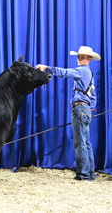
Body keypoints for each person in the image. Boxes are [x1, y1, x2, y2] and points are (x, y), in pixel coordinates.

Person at [36, 46, 101, 181]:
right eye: (78, 56)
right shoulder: (89, 73)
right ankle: (89, 174)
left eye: (82, 57)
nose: (79, 59)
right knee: (86, 142)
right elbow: (93, 95)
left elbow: (65, 72)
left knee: (80, 143)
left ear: (89, 59)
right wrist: (89, 109)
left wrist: (47, 68)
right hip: (85, 109)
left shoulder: (82, 71)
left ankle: (83, 175)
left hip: (80, 109)